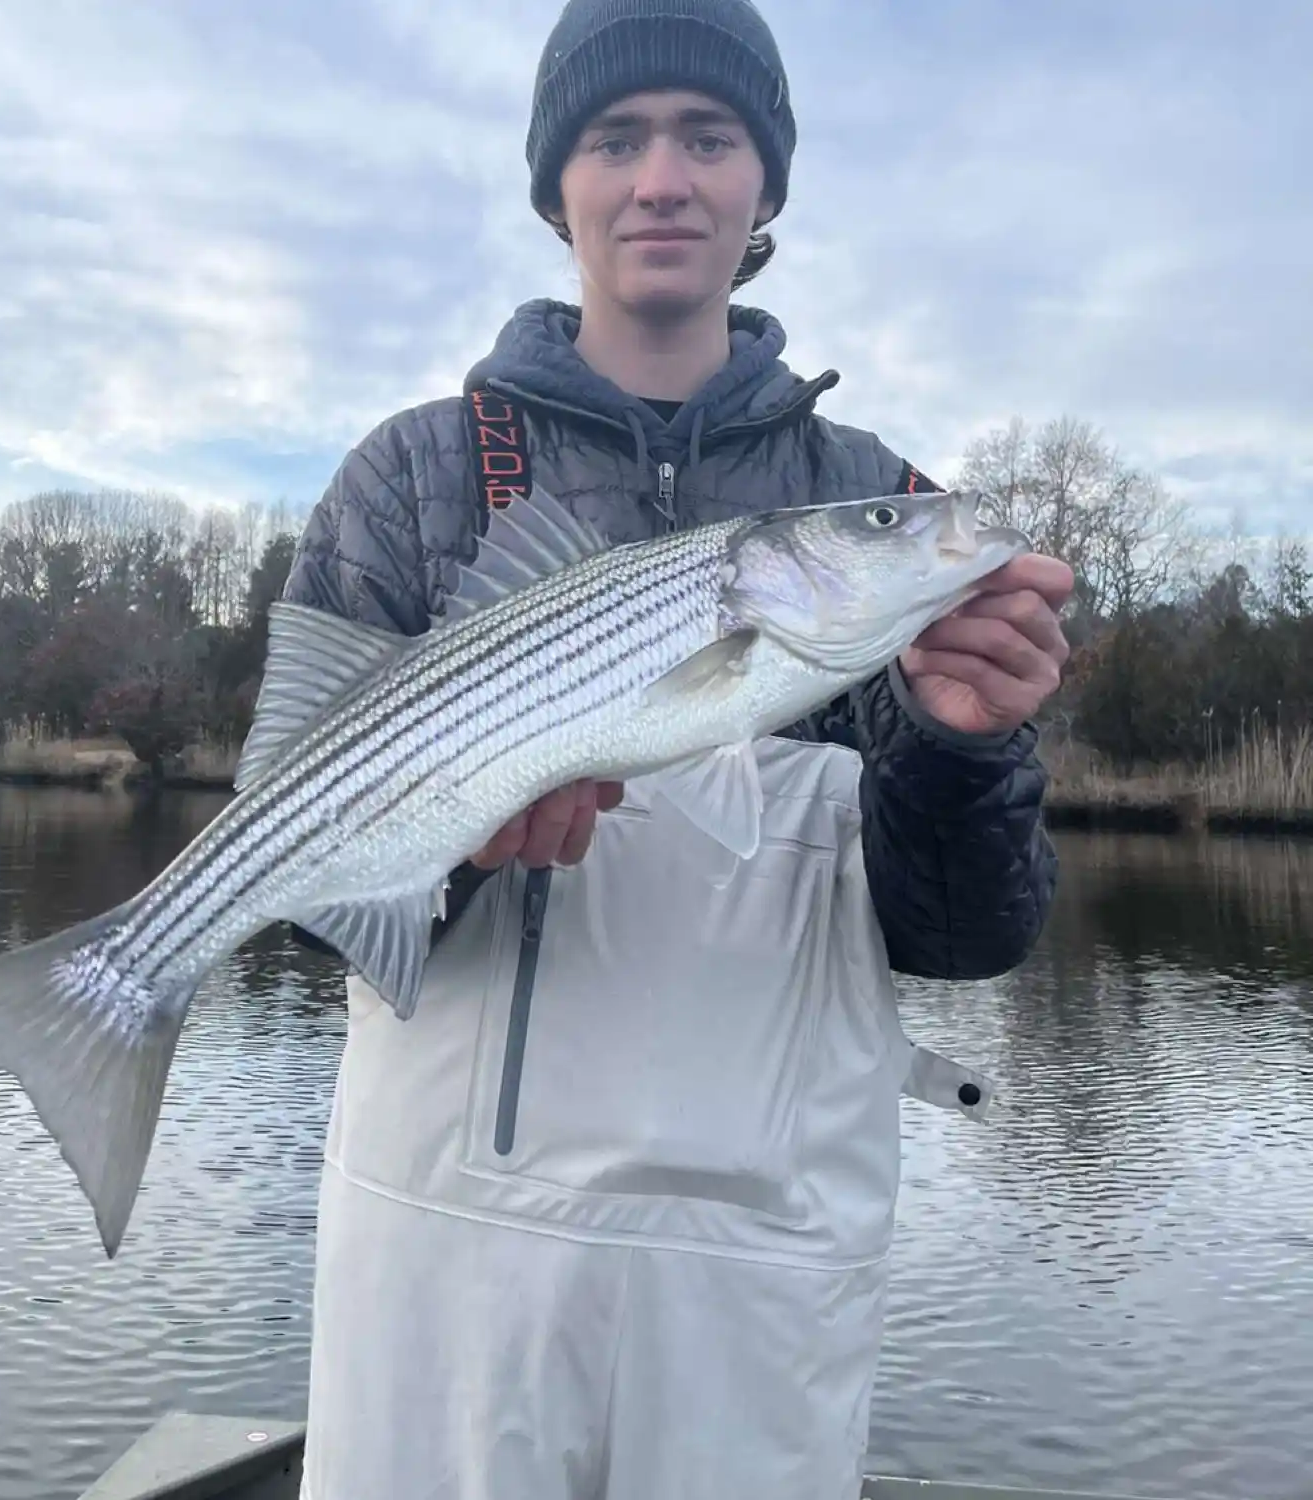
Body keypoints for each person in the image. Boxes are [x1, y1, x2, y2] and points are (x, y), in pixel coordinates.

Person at [284, 1, 1073, 1496]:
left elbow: (969, 935)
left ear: (763, 187)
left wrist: (968, 755)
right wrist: (446, 846)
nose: (663, 178)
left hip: (766, 1266)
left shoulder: (873, 506)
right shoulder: (418, 479)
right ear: (558, 185)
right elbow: (336, 912)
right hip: (452, 1263)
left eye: (709, 138)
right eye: (615, 137)